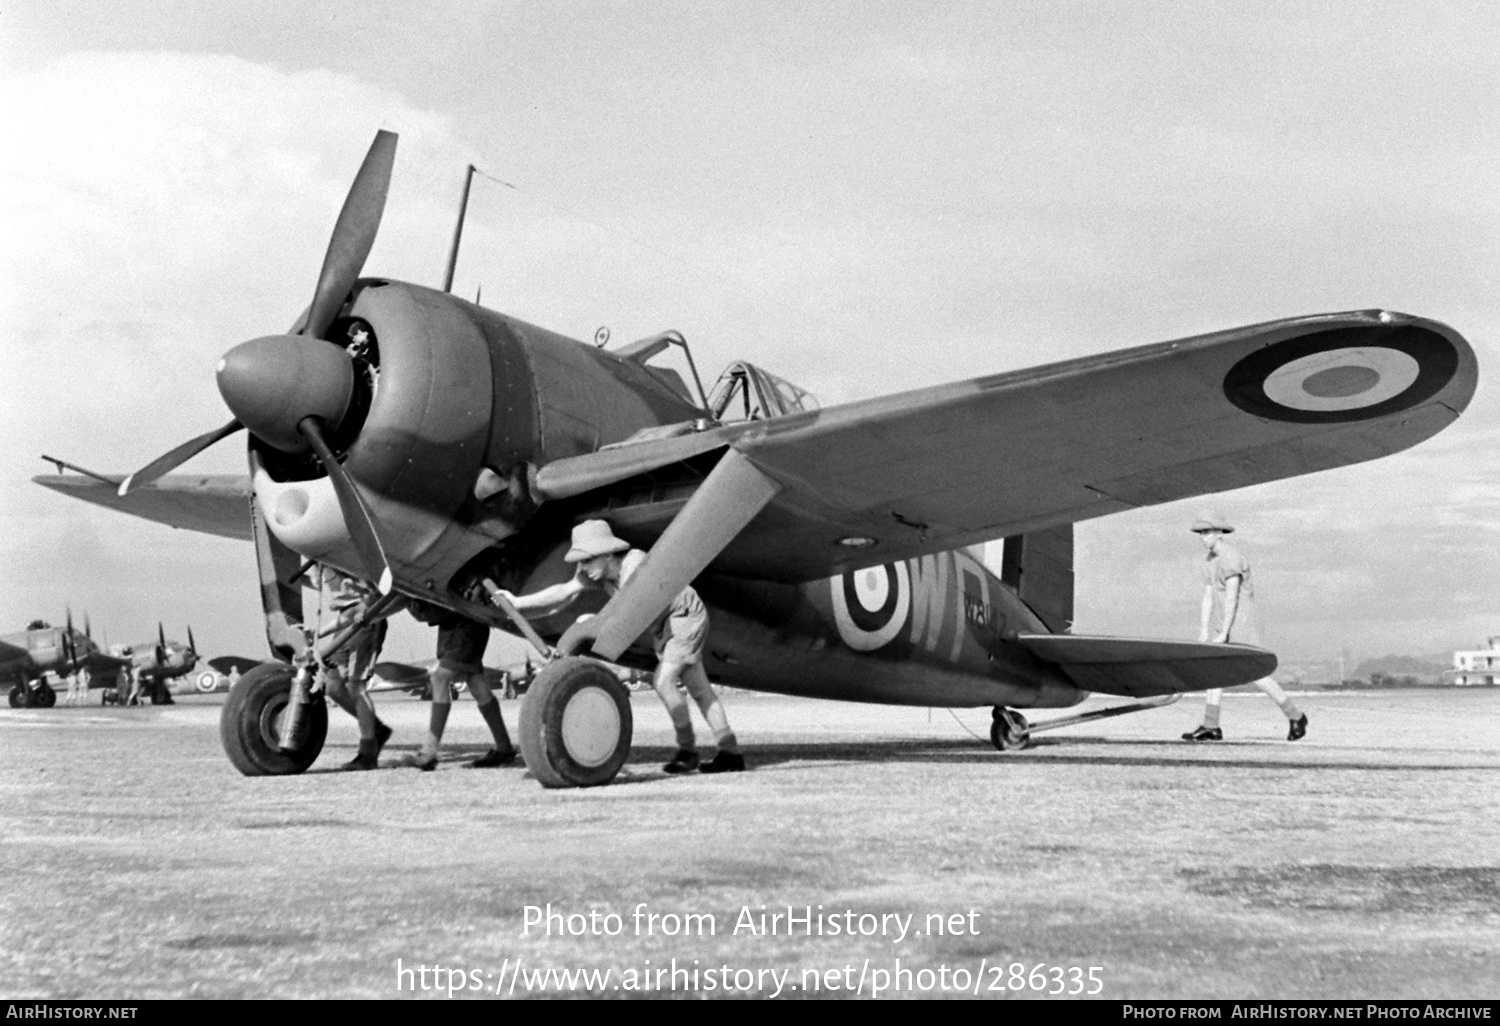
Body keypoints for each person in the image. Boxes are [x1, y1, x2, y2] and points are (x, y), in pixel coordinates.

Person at [498, 519, 745, 774]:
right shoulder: (600, 573)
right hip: (663, 625)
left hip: (683, 615)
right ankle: (731, 753)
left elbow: (616, 615)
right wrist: (518, 603)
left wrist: (583, 627)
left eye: (587, 559)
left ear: (606, 554)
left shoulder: (635, 563)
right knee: (700, 690)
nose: (582, 567)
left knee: (663, 681)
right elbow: (565, 593)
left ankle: (687, 751)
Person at [1181, 513, 1308, 742]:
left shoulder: (1231, 557)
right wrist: (1204, 629)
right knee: (1214, 673)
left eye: (1207, 532)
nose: (1202, 538)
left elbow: (1232, 598)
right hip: (1225, 622)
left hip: (1242, 622)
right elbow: (1208, 596)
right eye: (1200, 533)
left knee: (1254, 673)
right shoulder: (1209, 560)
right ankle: (1211, 725)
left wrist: (1224, 632)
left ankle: (1295, 715)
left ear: (1219, 534)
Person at [407, 612, 517, 771]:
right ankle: (504, 748)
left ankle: (428, 753)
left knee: (440, 678)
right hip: (456, 622)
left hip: (465, 622)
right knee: (477, 684)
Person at [317, 566, 393, 771]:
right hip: (346, 620)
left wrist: (371, 606)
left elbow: (377, 585)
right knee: (333, 686)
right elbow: (345, 613)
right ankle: (376, 728)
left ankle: (367, 752)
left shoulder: (342, 552)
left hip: (365, 621)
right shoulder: (321, 560)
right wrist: (318, 634)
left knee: (356, 687)